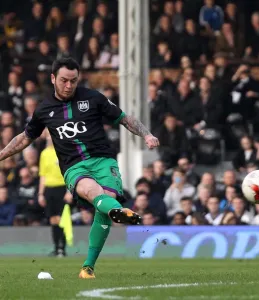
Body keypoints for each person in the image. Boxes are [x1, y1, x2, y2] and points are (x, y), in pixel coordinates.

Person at [0, 57, 159, 279]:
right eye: (64, 80)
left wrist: (147, 134)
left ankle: (88, 268)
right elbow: (25, 138)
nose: (69, 86)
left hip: (104, 161)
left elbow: (124, 118)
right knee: (95, 193)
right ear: (53, 78)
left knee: (105, 204)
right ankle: (119, 212)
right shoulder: (44, 109)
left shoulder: (93, 98)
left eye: (73, 81)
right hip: (74, 166)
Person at [38, 129, 72, 257]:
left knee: (62, 219)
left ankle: (62, 248)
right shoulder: (44, 154)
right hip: (49, 189)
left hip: (62, 188)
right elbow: (43, 175)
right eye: (48, 136)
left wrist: (69, 191)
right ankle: (55, 246)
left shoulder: (63, 151)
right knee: (52, 219)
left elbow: (69, 172)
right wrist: (41, 193)